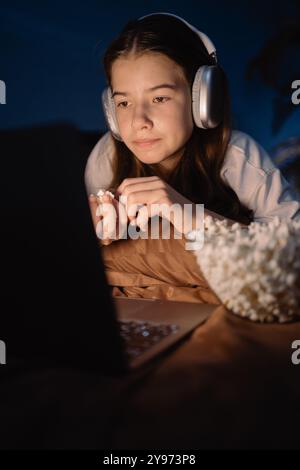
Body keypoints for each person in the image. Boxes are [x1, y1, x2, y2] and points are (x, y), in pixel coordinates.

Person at [85, 12, 300, 246]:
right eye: (124, 103)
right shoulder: (107, 156)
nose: (139, 121)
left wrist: (190, 214)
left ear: (203, 99)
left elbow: (292, 246)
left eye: (159, 98)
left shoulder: (238, 155)